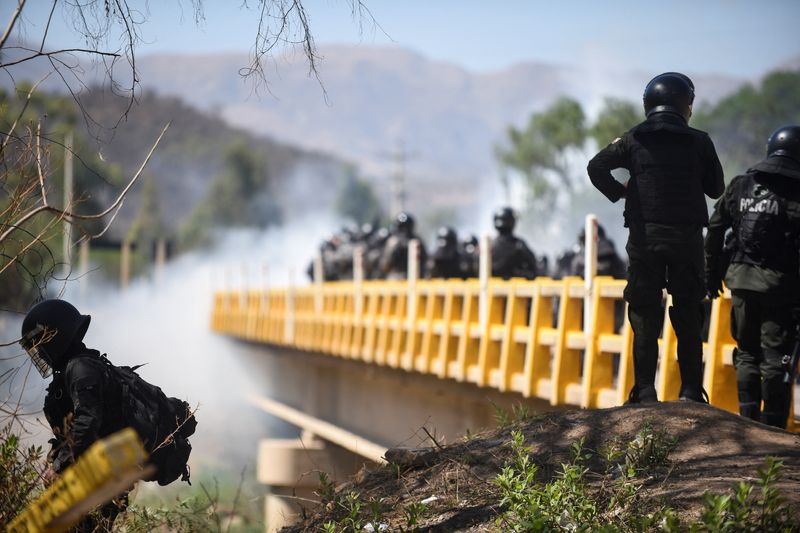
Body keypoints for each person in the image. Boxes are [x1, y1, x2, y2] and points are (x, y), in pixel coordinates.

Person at [587, 72, 725, 403]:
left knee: (645, 312)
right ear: (686, 105)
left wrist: (621, 192)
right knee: (689, 311)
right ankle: (691, 391)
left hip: (644, 237)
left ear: (648, 104)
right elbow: (716, 189)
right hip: (687, 239)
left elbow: (596, 166)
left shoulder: (633, 139)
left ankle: (645, 390)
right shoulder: (700, 141)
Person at [704, 124, 800, 428]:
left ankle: (747, 420)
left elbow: (715, 229)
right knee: (777, 357)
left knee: (745, 352)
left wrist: (711, 273)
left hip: (741, 282)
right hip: (781, 286)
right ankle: (773, 427)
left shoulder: (740, 185)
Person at [19, 299, 129, 531]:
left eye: (40, 343)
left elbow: (88, 422)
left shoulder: (81, 370)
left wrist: (60, 467)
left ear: (55, 336)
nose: (38, 351)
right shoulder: (72, 370)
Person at [490, 207, 538, 279]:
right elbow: (534, 267)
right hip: (513, 288)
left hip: (488, 288)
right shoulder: (518, 245)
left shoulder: (488, 246)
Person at [379, 212, 427, 280]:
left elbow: (385, 266)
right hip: (411, 279)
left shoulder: (393, 242)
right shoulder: (417, 241)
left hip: (398, 281)